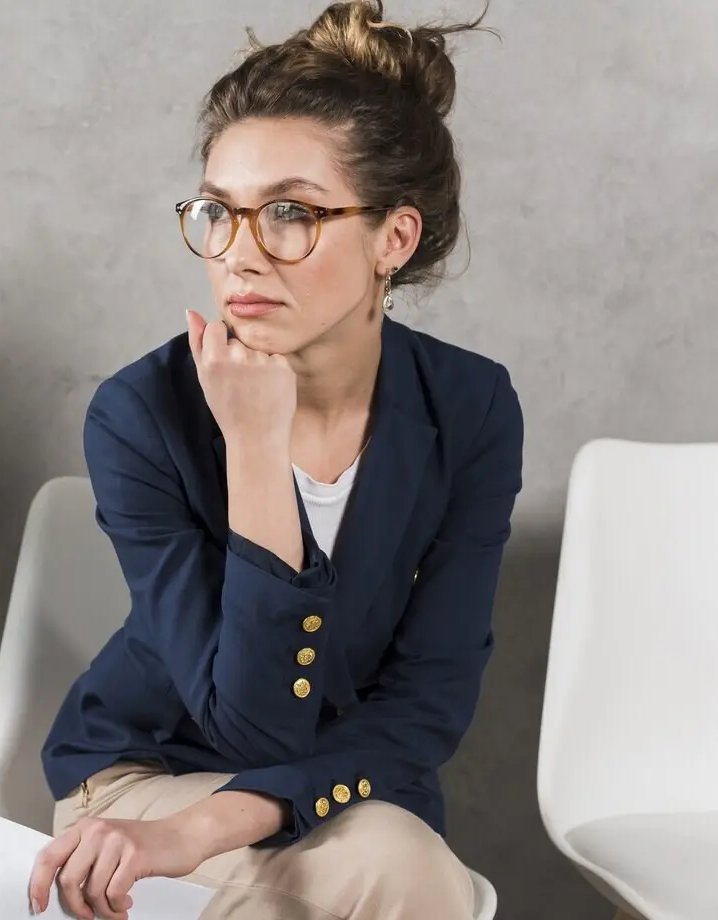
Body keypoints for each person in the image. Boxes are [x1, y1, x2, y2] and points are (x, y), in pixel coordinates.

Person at [27, 2, 519, 919]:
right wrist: (255, 448)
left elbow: (429, 701)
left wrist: (204, 831)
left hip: (353, 797)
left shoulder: (471, 408)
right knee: (403, 875)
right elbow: (249, 725)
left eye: (289, 213)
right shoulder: (142, 413)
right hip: (144, 783)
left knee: (392, 861)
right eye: (220, 211)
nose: (240, 254)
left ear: (393, 239)